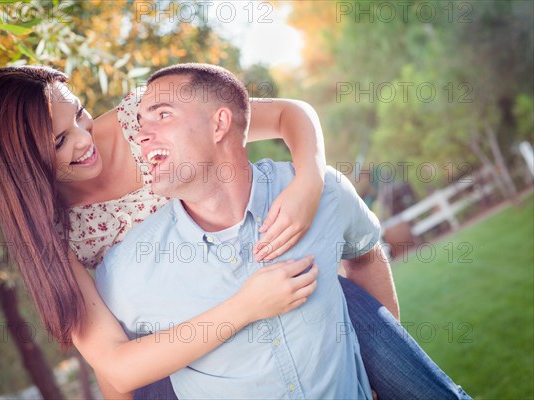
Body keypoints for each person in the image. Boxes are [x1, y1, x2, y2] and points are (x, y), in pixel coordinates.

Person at [95, 63, 472, 399]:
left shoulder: (324, 192)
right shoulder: (126, 270)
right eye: (141, 124)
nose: (141, 135)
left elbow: (366, 254)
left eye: (162, 115)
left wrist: (380, 366)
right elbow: (117, 376)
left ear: (219, 124)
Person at [0, 64, 324, 399]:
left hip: (267, 282)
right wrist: (246, 307)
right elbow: (116, 366)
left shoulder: (142, 120)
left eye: (80, 114)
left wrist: (309, 179)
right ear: (23, 164)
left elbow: (288, 114)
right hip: (176, 347)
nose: (84, 139)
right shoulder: (49, 232)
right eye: (60, 140)